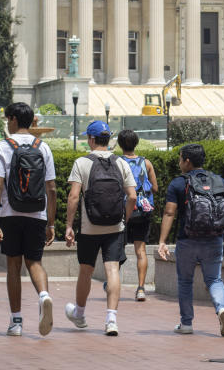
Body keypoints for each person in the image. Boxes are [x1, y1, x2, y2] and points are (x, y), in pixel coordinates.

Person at [157, 143, 224, 337]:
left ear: (187, 161)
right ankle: (222, 309)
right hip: (214, 239)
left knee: (185, 281)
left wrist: (162, 240)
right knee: (214, 279)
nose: (179, 163)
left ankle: (186, 324)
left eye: (180, 159)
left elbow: (170, 212)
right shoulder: (218, 180)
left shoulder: (178, 183)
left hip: (187, 240)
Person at [0, 102, 57, 337]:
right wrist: (51, 222)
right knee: (35, 262)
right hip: (37, 214)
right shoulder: (43, 148)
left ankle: (16, 321)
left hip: (10, 214)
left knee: (13, 266)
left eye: (9, 118)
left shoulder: (2, 147)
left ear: (15, 119)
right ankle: (44, 295)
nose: (7, 122)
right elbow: (52, 188)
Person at [63, 120, 136, 336]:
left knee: (86, 270)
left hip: (89, 228)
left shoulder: (82, 163)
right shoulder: (121, 163)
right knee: (112, 269)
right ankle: (111, 319)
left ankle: (80, 314)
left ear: (92, 139)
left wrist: (68, 225)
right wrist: (125, 218)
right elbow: (132, 196)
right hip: (115, 227)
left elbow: (74, 196)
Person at [118, 128, 158, 301]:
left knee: (115, 248)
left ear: (120, 144)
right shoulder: (146, 163)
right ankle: (141, 288)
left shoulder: (116, 162)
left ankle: (112, 284)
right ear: (136, 143)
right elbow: (155, 188)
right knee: (140, 250)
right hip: (142, 211)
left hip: (121, 209)